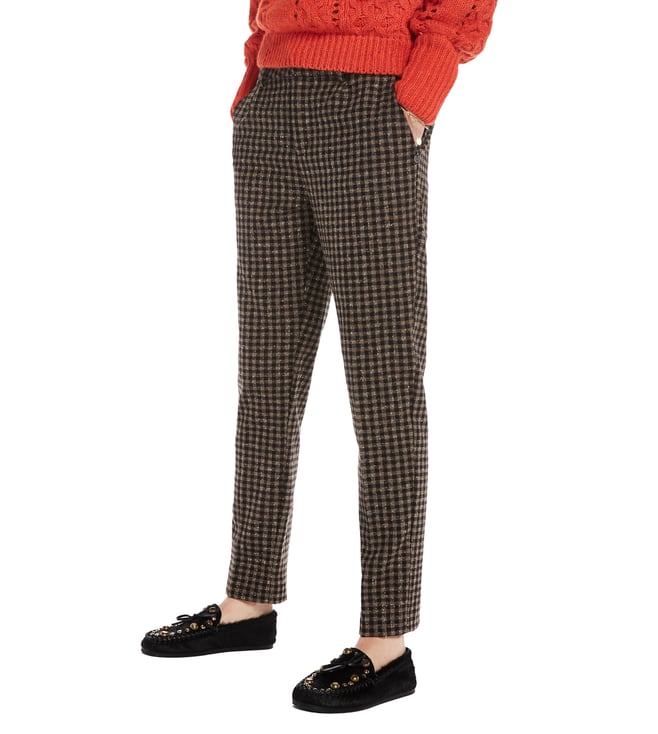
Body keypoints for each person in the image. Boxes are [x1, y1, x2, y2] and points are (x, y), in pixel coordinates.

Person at [141, 0, 498, 713]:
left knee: (384, 381)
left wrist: (420, 92)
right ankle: (248, 601)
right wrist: (254, 75)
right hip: (273, 101)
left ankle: (385, 642)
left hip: (373, 103)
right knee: (266, 375)